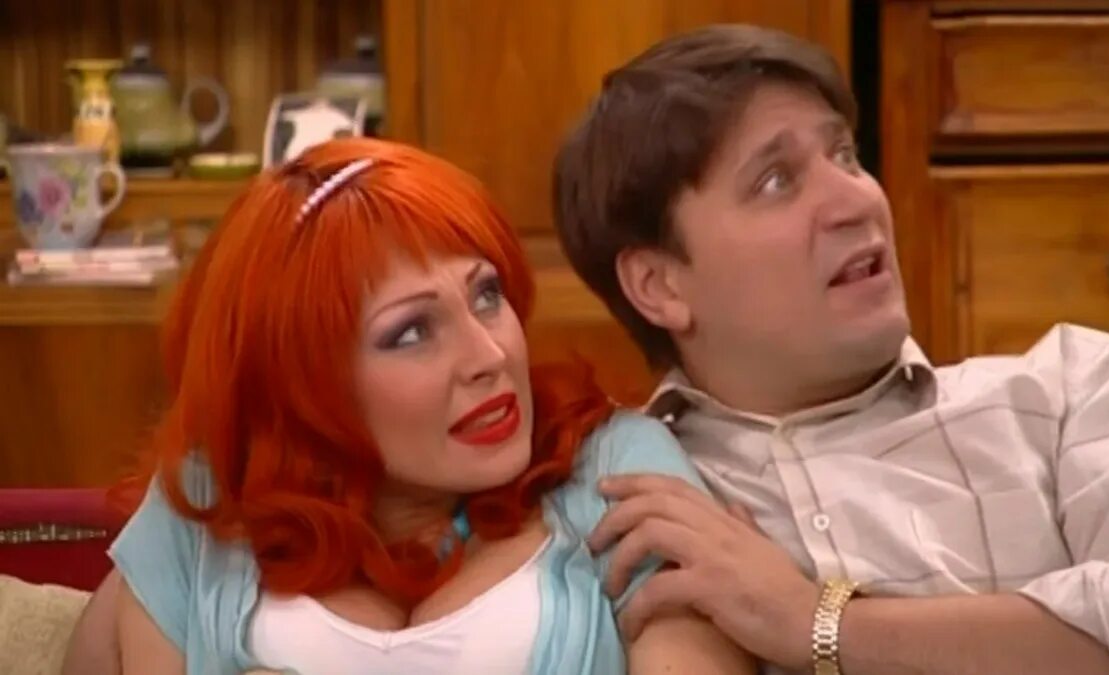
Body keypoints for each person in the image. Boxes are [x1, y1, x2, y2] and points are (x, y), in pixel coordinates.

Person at [553, 24, 1109, 675]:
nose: (857, 200)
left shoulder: (1075, 394)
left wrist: (815, 622)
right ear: (659, 285)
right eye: (776, 181)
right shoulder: (626, 512)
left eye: (845, 156)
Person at [61, 137, 752, 675]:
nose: (489, 353)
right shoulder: (208, 500)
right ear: (305, 383)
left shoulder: (615, 465)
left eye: (486, 294)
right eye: (411, 331)